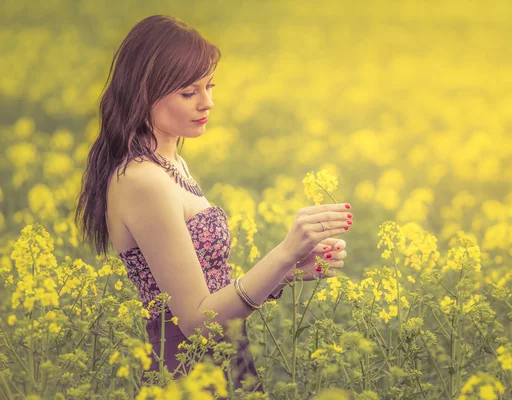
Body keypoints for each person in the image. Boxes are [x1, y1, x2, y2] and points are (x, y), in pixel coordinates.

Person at [74, 14, 352, 393]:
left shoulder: (169, 163)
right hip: (187, 372)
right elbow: (195, 321)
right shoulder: (142, 181)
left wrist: (287, 270)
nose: (208, 102)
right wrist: (285, 251)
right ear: (144, 93)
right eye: (189, 93)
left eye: (209, 86)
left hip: (222, 358)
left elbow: (207, 285)